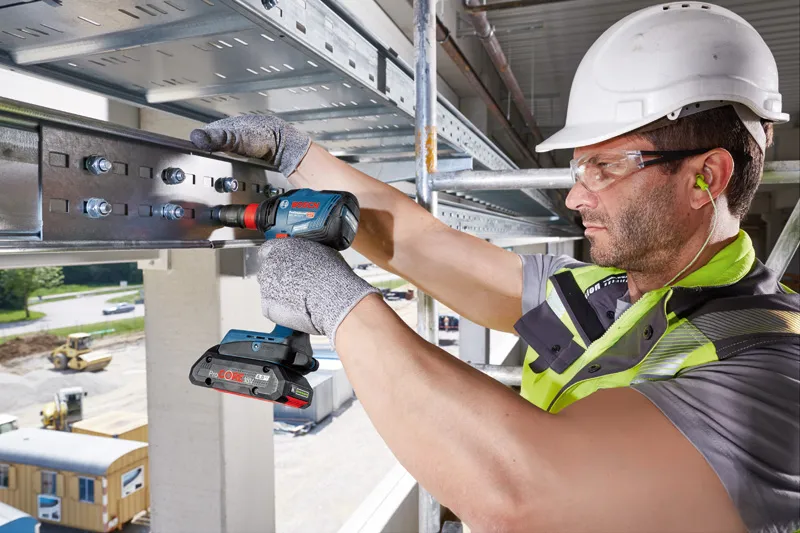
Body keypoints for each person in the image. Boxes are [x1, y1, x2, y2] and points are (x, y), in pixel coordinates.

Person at [190, 3, 799, 531]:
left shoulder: (774, 372)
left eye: (606, 168)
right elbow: (423, 246)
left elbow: (526, 495)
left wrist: (339, 304)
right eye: (577, 168)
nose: (575, 198)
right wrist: (297, 157)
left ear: (705, 177)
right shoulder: (606, 294)